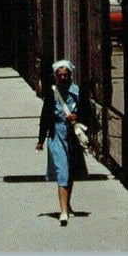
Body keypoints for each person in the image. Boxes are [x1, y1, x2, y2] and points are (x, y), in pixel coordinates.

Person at [36, 59, 90, 226]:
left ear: (70, 76)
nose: (63, 78)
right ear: (56, 77)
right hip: (56, 135)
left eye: (66, 75)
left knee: (70, 171)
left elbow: (87, 113)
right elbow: (45, 116)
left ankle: (67, 205)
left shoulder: (78, 92)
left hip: (72, 135)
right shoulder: (52, 94)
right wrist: (41, 140)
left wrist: (77, 117)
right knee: (62, 170)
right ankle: (63, 212)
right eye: (60, 76)